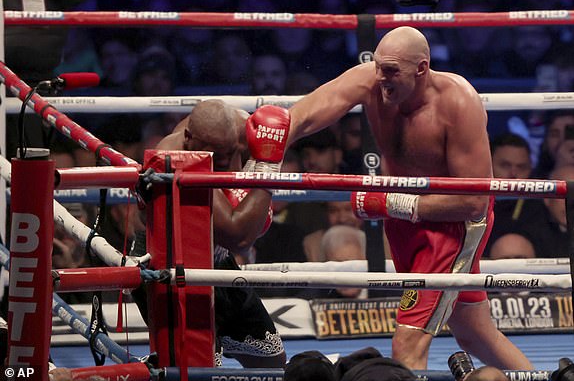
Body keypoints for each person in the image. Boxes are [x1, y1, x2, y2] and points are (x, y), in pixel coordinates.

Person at [253, 26, 532, 369]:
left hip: (451, 228)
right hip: (406, 220)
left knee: (408, 342)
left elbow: (474, 200)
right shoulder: (371, 80)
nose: (381, 78)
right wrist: (268, 149)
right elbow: (309, 112)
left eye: (391, 71)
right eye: (378, 66)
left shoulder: (458, 103)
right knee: (473, 331)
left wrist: (390, 203)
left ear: (422, 68)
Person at [153, 99, 287, 368]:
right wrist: (267, 168)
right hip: (176, 267)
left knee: (271, 361)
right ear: (190, 139)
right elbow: (238, 236)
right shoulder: (174, 156)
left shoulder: (242, 128)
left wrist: (270, 148)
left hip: (218, 261)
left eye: (230, 153)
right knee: (201, 369)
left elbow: (292, 127)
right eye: (216, 154)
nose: (224, 162)